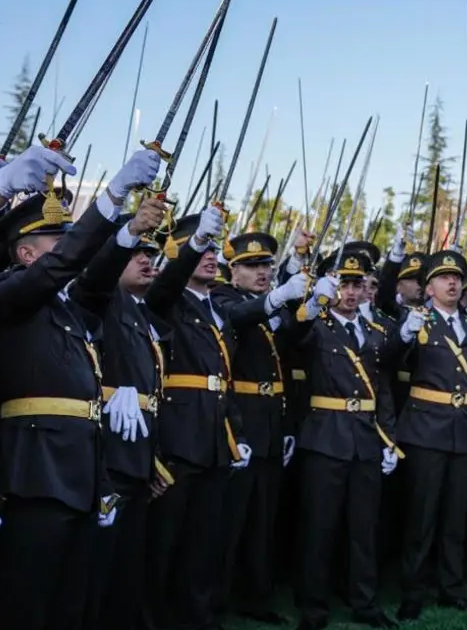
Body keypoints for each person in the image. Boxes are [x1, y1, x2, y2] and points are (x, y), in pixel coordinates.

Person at [0, 146, 160, 629]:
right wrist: (109, 199)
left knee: (71, 604)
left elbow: (97, 279)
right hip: (34, 474)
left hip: (80, 475)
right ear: (25, 254)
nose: (67, 248)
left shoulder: (68, 308)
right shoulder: (7, 293)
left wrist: (125, 230)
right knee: (28, 603)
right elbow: (60, 269)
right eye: (54, 241)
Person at [143, 205, 253, 630]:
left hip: (214, 438)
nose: (210, 256)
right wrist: (192, 246)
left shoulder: (217, 307)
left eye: (212, 250)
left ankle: (198, 618)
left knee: (204, 543)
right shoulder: (168, 299)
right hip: (178, 437)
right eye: (201, 249)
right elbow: (165, 285)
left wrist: (235, 433)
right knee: (164, 543)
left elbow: (224, 379)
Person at [69, 200, 172, 630]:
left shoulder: (140, 313)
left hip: (137, 450)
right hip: (107, 449)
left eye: (151, 254)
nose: (146, 260)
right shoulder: (101, 298)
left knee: (127, 561)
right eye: (136, 254)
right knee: (98, 566)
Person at [291, 251, 403, 630]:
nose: (351, 292)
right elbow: (291, 337)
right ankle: (313, 606)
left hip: (365, 438)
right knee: (319, 527)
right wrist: (312, 301)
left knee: (363, 527)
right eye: (343, 284)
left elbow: (383, 389)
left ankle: (364, 602)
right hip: (326, 435)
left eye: (357, 284)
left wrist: (388, 438)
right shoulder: (316, 325)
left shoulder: (375, 333)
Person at [393, 250, 467, 620]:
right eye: (443, 277)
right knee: (421, 517)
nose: (452, 283)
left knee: (457, 516)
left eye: (456, 277)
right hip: (425, 430)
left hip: (465, 431)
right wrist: (404, 335)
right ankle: (413, 590)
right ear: (428, 288)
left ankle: (451, 587)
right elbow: (390, 362)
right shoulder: (416, 323)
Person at [212, 231, 308, 622]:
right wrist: (278, 298)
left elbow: (290, 348)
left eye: (267, 265)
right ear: (233, 271)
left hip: (270, 420)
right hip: (240, 420)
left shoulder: (269, 306)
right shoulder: (224, 298)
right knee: (229, 521)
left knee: (261, 521)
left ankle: (257, 597)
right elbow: (237, 318)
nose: (263, 272)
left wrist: (310, 306)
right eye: (252, 266)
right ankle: (215, 601)